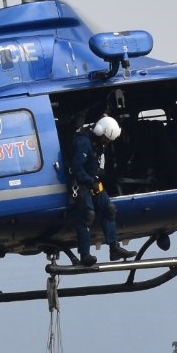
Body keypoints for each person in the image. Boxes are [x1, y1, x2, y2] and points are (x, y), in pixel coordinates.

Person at [69, 114, 127, 267]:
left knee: (110, 209)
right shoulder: (83, 142)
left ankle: (114, 248)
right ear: (100, 132)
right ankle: (85, 255)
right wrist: (89, 181)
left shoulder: (96, 142)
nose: (106, 143)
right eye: (106, 139)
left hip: (93, 182)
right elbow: (76, 168)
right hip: (81, 184)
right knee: (88, 214)